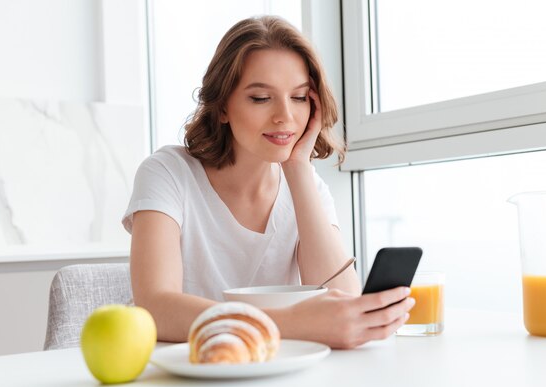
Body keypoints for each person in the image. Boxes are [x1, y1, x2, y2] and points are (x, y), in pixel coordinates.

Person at [122, 15, 414, 349]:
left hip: (278, 378)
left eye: (300, 97)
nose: (285, 116)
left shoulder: (307, 187)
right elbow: (155, 307)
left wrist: (299, 168)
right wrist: (291, 323)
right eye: (261, 98)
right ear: (221, 108)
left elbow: (344, 307)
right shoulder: (168, 173)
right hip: (190, 378)